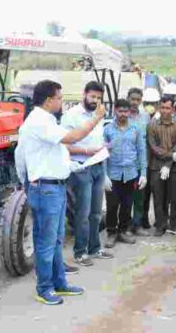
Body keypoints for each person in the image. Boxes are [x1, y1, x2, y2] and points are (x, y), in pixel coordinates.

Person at [15, 79, 103, 305]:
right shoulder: (38, 121)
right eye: (60, 98)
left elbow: (57, 152)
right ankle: (44, 288)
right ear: (48, 100)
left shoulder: (47, 120)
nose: (62, 102)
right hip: (46, 189)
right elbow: (72, 138)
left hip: (55, 187)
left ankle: (59, 283)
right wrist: (96, 118)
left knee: (55, 239)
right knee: (46, 241)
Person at [61, 81, 113, 266]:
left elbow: (96, 139)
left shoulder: (99, 113)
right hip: (81, 168)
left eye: (99, 98)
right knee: (83, 213)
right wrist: (86, 151)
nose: (96, 100)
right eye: (92, 96)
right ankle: (80, 252)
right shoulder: (71, 116)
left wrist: (102, 148)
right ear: (84, 94)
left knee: (96, 212)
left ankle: (95, 247)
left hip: (98, 165)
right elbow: (64, 145)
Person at [103, 99, 147, 247]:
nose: (123, 114)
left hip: (131, 173)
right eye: (120, 111)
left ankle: (123, 231)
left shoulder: (136, 128)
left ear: (129, 112)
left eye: (125, 111)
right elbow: (103, 153)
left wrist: (143, 174)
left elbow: (141, 151)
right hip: (113, 173)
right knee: (112, 205)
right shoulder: (108, 129)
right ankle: (111, 232)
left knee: (127, 205)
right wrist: (104, 175)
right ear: (115, 110)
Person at [147, 96, 176, 236]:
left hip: (174, 167)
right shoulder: (152, 125)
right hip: (156, 166)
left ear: (173, 109)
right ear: (158, 108)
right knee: (158, 197)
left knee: (174, 197)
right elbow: (153, 147)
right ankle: (160, 225)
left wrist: (168, 165)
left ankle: (173, 225)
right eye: (162, 107)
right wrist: (169, 158)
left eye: (167, 108)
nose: (164, 111)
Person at [127, 88, 152, 236]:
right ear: (128, 98)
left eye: (138, 100)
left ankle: (137, 225)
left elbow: (148, 140)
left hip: (141, 163)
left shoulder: (145, 117)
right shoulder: (122, 115)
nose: (135, 102)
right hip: (125, 163)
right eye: (132, 99)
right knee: (126, 197)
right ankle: (126, 225)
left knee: (139, 196)